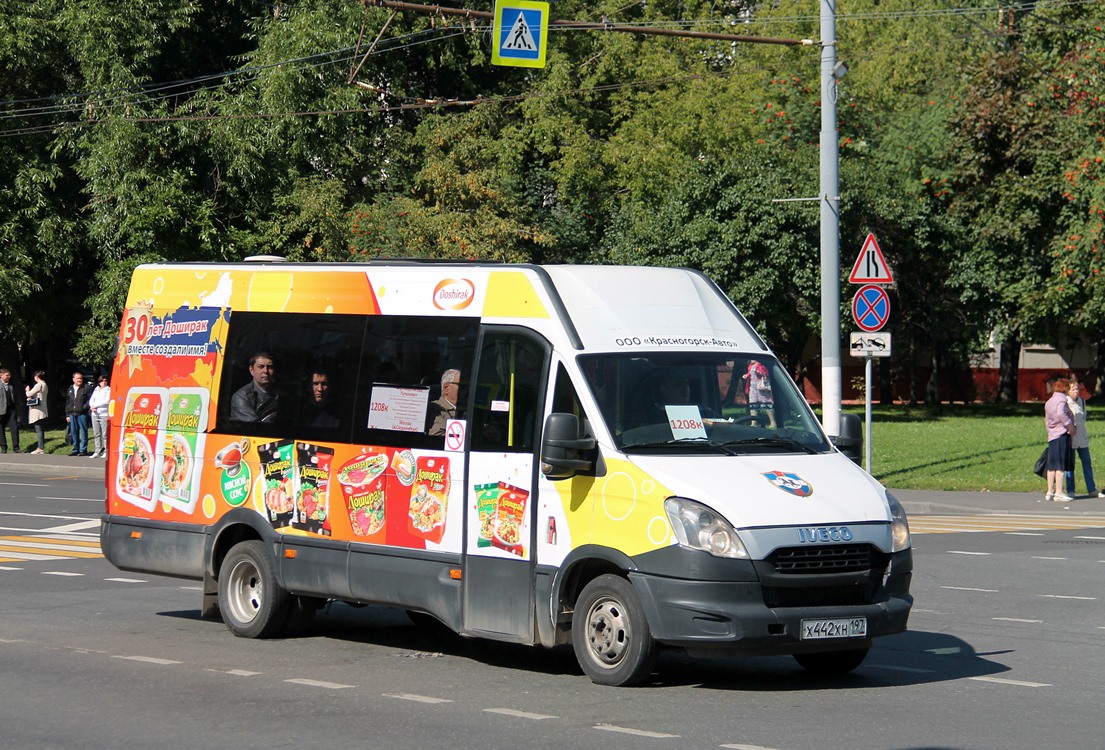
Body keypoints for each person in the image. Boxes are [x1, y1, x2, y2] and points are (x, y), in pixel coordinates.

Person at [1065, 380, 1102, 497]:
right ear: (1068, 391)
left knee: (1087, 463)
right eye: (1073, 389)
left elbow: (1083, 418)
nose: (1076, 392)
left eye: (1077, 389)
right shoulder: (1065, 402)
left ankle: (1092, 489)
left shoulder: (1082, 402)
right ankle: (1070, 490)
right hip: (1070, 437)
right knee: (1070, 465)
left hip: (1082, 437)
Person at [1044, 377, 1076, 502]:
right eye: (1068, 387)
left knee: (1052, 465)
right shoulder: (1061, 400)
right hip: (1061, 434)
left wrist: (1050, 430)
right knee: (1060, 465)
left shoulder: (1049, 401)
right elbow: (1061, 414)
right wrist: (1070, 426)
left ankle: (1049, 492)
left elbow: (1047, 419)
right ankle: (1059, 492)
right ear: (1065, 388)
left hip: (1052, 435)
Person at [230, 352, 278, 423]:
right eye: (261, 367)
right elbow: (255, 428)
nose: (265, 371)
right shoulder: (242, 397)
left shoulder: (280, 393)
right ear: (251, 370)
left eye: (270, 367)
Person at [65, 371, 94, 456]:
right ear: (73, 379)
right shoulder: (70, 389)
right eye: (77, 378)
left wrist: (85, 407)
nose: (79, 380)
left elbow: (90, 399)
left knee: (83, 432)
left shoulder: (86, 387)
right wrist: (67, 414)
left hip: (82, 414)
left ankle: (83, 450)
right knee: (74, 432)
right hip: (72, 413)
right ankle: (75, 449)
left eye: (80, 378)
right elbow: (68, 402)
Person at [743, 359, 776, 428]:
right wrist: (746, 375)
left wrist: (759, 373)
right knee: (753, 405)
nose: (750, 360)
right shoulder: (750, 366)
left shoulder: (761, 365)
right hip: (752, 388)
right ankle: (754, 422)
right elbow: (750, 374)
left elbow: (765, 374)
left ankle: (772, 422)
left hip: (761, 388)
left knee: (766, 404)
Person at [427, 368, 460, 436]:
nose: (466, 389)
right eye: (462, 385)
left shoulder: (468, 410)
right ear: (446, 388)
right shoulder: (435, 409)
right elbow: (437, 438)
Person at [25, 370, 48, 454]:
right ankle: (40, 446)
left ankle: (40, 447)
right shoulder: (45, 385)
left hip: (37, 409)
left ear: (36, 377)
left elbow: (29, 394)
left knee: (38, 429)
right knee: (40, 428)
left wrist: (27, 390)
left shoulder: (38, 385)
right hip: (42, 408)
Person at [89, 375, 111, 458]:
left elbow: (106, 401)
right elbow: (92, 399)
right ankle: (97, 450)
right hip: (94, 414)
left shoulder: (108, 389)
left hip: (103, 414)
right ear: (99, 382)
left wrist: (96, 406)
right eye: (102, 381)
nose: (104, 382)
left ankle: (106, 450)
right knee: (96, 433)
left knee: (105, 434)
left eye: (105, 380)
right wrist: (91, 406)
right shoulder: (96, 389)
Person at [0, 368, 21, 453]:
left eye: (9, 375)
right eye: (7, 375)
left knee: (14, 428)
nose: (9, 377)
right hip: (1, 411)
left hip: (11, 410)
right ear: (1, 375)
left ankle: (16, 447)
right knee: (1, 429)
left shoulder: (11, 385)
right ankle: (4, 448)